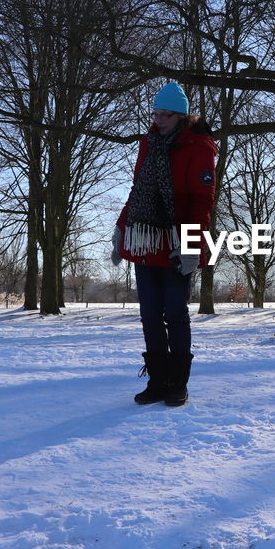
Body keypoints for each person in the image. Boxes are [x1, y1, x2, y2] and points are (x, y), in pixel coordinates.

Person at [114, 83, 217, 406]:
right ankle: (158, 380)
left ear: (182, 116)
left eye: (165, 115)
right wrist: (121, 227)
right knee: (149, 314)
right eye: (155, 113)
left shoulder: (199, 147)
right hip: (145, 239)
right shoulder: (148, 144)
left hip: (175, 240)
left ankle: (178, 383)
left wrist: (190, 244)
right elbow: (137, 188)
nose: (158, 120)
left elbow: (201, 202)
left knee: (175, 312)